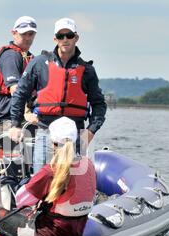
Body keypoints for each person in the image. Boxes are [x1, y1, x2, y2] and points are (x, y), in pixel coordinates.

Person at [0, 117, 96, 236]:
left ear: (52, 143)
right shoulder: (88, 165)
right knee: (29, 214)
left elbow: (20, 200)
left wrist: (21, 182)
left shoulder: (50, 171)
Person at [9, 17, 107, 173]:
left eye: (69, 35)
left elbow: (99, 104)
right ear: (55, 39)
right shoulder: (39, 64)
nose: (65, 39)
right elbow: (20, 94)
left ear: (76, 37)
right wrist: (14, 125)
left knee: (71, 183)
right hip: (45, 131)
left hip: (74, 136)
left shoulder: (87, 70)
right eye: (61, 36)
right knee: (41, 179)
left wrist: (91, 131)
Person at [0, 16, 38, 133]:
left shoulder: (28, 57)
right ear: (14, 33)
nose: (28, 38)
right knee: (10, 150)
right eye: (24, 34)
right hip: (7, 120)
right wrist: (26, 113)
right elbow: (15, 89)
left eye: (31, 34)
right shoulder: (11, 56)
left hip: (21, 117)